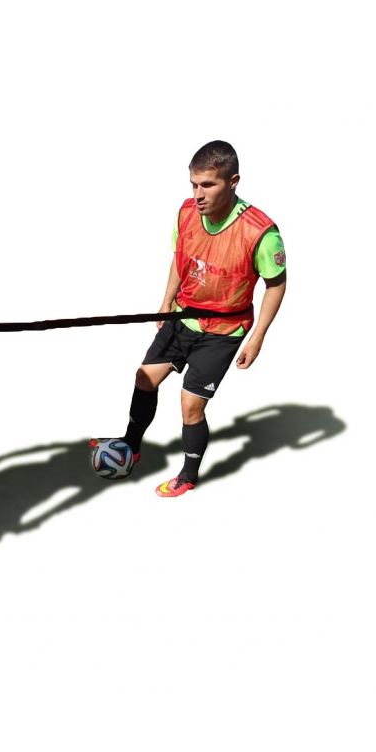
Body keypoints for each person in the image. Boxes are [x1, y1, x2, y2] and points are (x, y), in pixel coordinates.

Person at [121, 140, 286, 497]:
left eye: (208, 185)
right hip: (184, 317)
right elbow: (181, 259)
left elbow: (276, 285)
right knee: (144, 378)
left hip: (224, 330)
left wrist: (258, 336)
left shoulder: (261, 233)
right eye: (194, 184)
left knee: (190, 406)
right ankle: (130, 446)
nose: (198, 194)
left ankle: (189, 475)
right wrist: (166, 301)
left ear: (233, 181)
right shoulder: (186, 214)